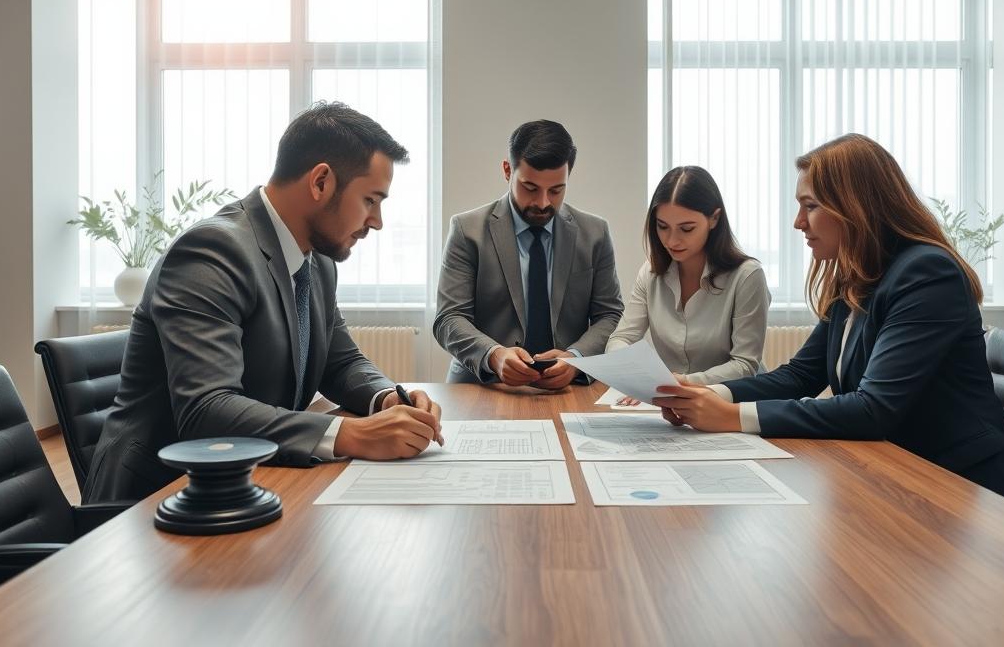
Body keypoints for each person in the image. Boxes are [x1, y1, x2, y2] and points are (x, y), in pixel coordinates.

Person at [84, 102, 444, 503]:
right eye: (370, 200)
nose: (377, 221)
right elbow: (207, 410)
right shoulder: (212, 252)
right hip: (157, 500)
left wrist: (388, 397)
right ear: (321, 182)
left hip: (253, 480)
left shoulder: (318, 260)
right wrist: (351, 434)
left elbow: (340, 361)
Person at [652, 134, 1004, 503]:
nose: (798, 222)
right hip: (898, 475)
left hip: (968, 492)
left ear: (857, 206)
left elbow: (872, 409)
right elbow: (801, 375)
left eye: (810, 206)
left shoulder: (927, 273)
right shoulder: (857, 276)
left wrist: (734, 416)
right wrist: (706, 395)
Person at [434, 119, 623, 390]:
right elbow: (449, 318)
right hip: (482, 386)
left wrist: (576, 358)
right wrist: (493, 356)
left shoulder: (595, 233)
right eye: (530, 188)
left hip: (569, 389)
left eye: (556, 190)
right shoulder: (467, 230)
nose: (543, 202)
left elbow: (611, 315)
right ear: (507, 170)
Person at [607, 166, 770, 404]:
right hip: (673, 404)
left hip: (733, 403)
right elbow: (621, 338)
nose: (672, 241)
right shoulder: (651, 273)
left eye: (686, 229)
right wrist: (636, 378)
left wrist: (682, 383)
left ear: (714, 219)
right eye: (662, 226)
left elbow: (745, 365)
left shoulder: (747, 276)